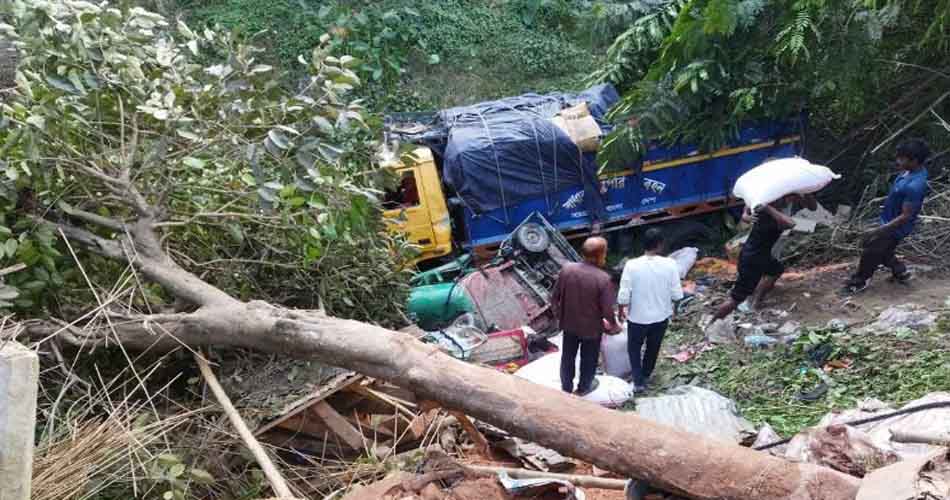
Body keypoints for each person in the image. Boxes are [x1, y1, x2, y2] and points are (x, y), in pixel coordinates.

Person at [842, 138, 930, 294]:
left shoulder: (915, 185)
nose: (898, 161)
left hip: (895, 228)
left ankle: (859, 281)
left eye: (901, 158)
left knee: (871, 251)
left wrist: (879, 230)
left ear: (914, 160)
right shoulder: (910, 171)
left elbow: (906, 216)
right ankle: (900, 271)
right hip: (888, 219)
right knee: (884, 251)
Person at [712, 192, 817, 321]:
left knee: (776, 270)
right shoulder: (769, 213)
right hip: (752, 258)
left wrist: (806, 194)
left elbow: (812, 207)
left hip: (761, 254)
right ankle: (711, 324)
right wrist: (768, 208)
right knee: (736, 299)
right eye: (790, 197)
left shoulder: (769, 208)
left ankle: (755, 302)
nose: (792, 200)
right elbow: (789, 224)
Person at [616, 228, 683, 392]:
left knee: (634, 348)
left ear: (643, 245)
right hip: (661, 316)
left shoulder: (632, 265)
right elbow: (677, 294)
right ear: (660, 245)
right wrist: (675, 310)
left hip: (638, 317)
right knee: (653, 347)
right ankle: (646, 374)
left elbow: (624, 294)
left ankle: (638, 381)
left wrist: (621, 309)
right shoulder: (670, 264)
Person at [552, 236, 620, 395]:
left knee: (567, 357)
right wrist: (614, 326)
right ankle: (583, 389)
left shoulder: (567, 269)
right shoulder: (603, 279)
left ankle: (566, 389)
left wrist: (558, 316)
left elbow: (554, 297)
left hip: (568, 324)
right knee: (588, 360)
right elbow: (607, 311)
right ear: (600, 255)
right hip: (591, 330)